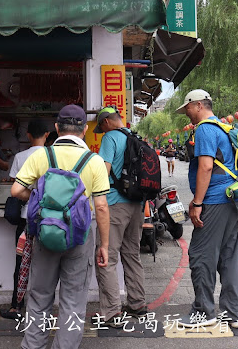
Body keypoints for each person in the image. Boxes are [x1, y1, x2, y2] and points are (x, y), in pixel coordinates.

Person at [10, 105, 110, 349]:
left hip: (45, 233)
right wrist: (104, 245)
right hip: (80, 237)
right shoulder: (94, 160)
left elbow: (16, 190)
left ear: (56, 128)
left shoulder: (41, 156)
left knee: (40, 295)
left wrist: (41, 198)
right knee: (74, 299)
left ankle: (33, 345)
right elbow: (102, 207)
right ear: (85, 130)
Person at [176, 89, 238, 328]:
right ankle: (233, 313)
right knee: (229, 255)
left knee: (201, 254)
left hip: (217, 199)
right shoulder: (223, 127)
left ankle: (203, 312)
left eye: (187, 108)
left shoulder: (206, 128)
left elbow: (206, 167)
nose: (186, 114)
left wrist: (197, 203)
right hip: (235, 198)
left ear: (198, 105)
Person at [92, 106, 146, 325]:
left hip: (115, 205)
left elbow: (103, 173)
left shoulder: (109, 138)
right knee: (132, 254)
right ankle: (137, 303)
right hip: (138, 205)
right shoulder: (136, 137)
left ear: (105, 122)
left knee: (106, 257)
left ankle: (112, 311)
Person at [0, 119, 49, 320]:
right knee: (47, 263)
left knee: (22, 263)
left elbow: (15, 187)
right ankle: (43, 308)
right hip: (48, 218)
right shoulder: (53, 155)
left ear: (28, 135)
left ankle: (16, 306)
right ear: (47, 135)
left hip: (26, 218)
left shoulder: (20, 157)